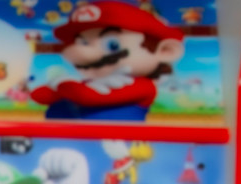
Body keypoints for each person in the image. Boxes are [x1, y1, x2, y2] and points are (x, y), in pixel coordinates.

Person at [29, 0, 185, 121]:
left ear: (165, 51)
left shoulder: (143, 86)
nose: (83, 52)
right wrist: (60, 87)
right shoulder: (86, 83)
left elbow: (87, 97)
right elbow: (39, 96)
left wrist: (61, 84)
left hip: (116, 146)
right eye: (82, 42)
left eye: (112, 45)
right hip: (67, 141)